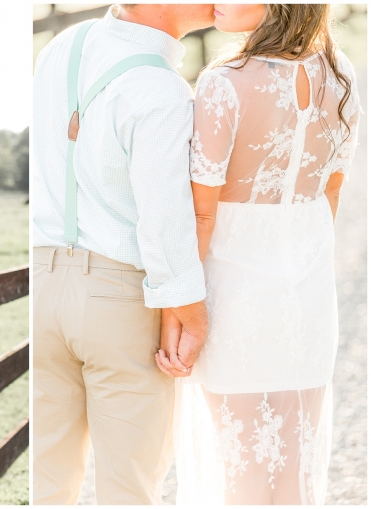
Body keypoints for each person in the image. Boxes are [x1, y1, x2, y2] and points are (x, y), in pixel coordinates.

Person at [155, 4, 361, 505]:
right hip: (308, 302)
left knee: (239, 470)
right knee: (293, 470)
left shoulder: (223, 83)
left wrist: (175, 315)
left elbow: (201, 218)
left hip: (235, 300)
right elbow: (329, 197)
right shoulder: (341, 75)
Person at [32, 4, 215, 504]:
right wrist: (191, 315)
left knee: (46, 485)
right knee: (128, 491)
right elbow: (164, 223)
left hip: (41, 287)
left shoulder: (60, 48)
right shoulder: (162, 91)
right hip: (119, 300)